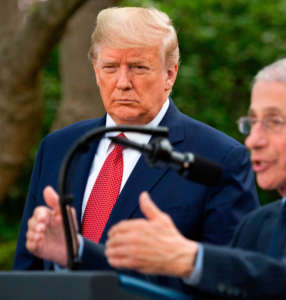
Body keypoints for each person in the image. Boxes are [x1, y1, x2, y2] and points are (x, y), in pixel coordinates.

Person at [100, 57, 286, 299]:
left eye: (273, 122)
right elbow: (198, 288)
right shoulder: (258, 225)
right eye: (252, 123)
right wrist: (76, 249)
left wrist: (193, 258)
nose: (253, 141)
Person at [13, 6, 259, 287]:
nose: (122, 83)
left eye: (138, 68)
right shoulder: (59, 148)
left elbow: (231, 282)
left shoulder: (219, 158)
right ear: (95, 71)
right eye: (110, 67)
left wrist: (81, 252)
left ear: (170, 74)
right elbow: (27, 270)